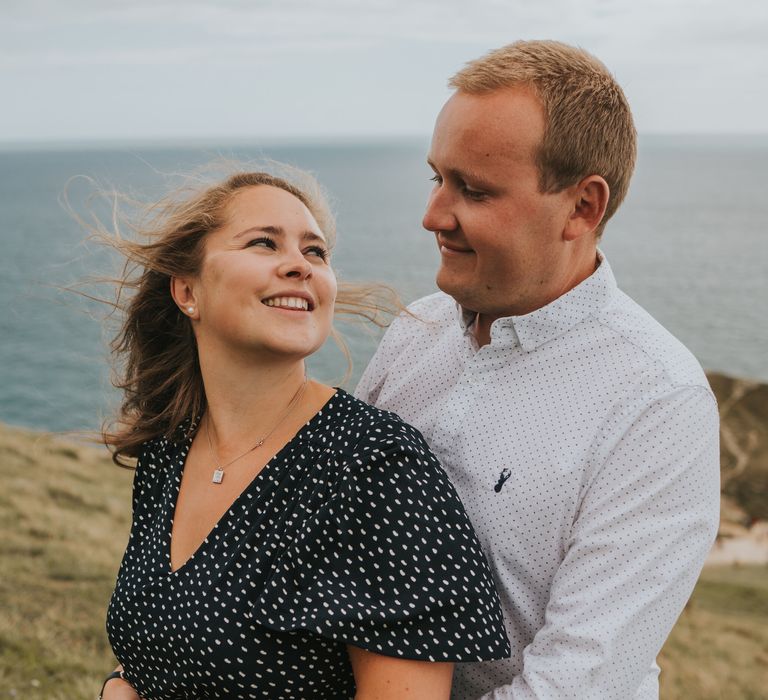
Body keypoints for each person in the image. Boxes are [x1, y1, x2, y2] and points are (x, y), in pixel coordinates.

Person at [356, 40, 721, 699]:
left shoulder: (658, 402)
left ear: (583, 207)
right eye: (436, 177)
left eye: (473, 190)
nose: (433, 215)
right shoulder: (415, 331)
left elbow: (571, 687)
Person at [95, 168, 510, 699]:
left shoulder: (375, 472)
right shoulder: (170, 446)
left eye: (316, 253)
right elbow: (162, 643)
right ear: (187, 290)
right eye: (264, 243)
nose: (299, 265)